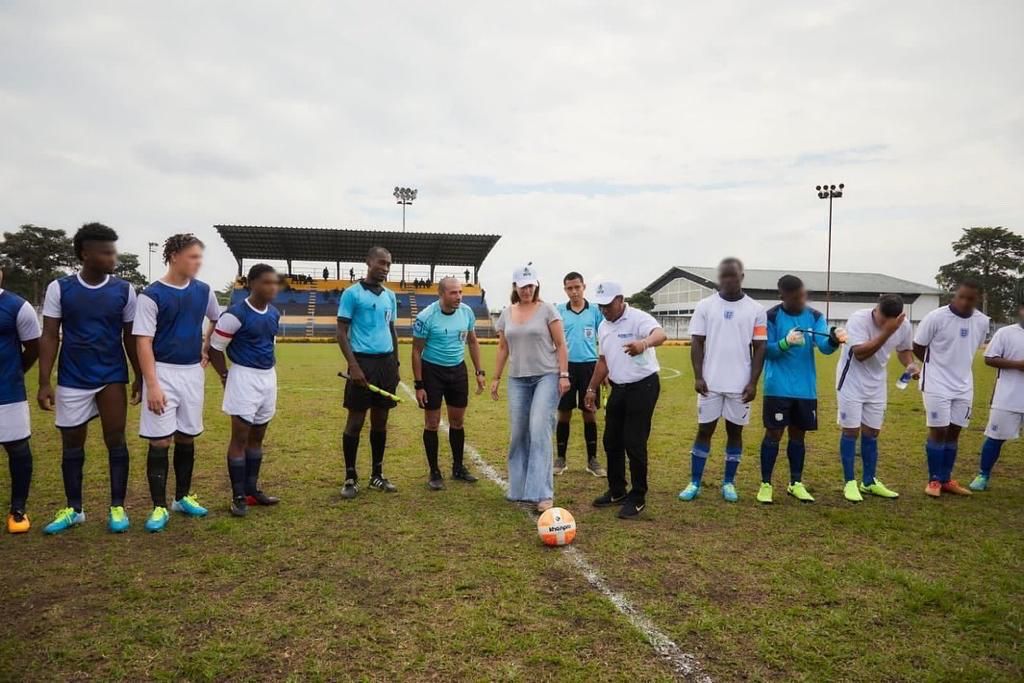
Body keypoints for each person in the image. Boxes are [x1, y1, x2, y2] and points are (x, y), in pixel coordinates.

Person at [38, 223, 141, 535]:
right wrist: (44, 381)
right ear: (85, 254)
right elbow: (49, 335)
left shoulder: (124, 290)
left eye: (114, 251)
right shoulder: (60, 288)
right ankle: (74, 508)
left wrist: (138, 375)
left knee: (116, 438)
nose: (113, 257)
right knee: (71, 442)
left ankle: (117, 507)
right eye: (106, 252)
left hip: (110, 375)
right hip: (73, 377)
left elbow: (130, 337)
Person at [134, 233, 221, 532]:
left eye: (200, 257)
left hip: (192, 373)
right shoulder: (151, 295)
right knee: (161, 440)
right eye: (193, 257)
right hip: (162, 372)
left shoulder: (204, 291)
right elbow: (143, 342)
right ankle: (159, 507)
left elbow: (216, 320)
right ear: (174, 256)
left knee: (187, 436)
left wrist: (206, 345)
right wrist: (152, 384)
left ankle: (182, 498)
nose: (198, 262)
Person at [678, 258, 767, 503]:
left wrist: (753, 382)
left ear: (741, 277)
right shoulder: (706, 306)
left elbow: (760, 348)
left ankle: (729, 482)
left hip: (740, 386)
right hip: (710, 384)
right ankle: (694, 481)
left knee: (734, 432)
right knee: (704, 429)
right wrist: (698, 375)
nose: (729, 280)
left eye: (733, 276)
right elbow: (697, 342)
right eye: (724, 276)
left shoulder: (755, 309)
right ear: (719, 278)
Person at [757, 275, 845, 504]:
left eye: (803, 296)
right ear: (782, 296)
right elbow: (766, 350)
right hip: (777, 387)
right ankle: (765, 484)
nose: (801, 301)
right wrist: (785, 343)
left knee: (798, 435)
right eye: (795, 297)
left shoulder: (815, 316)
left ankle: (795, 483)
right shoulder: (771, 316)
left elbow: (824, 347)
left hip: (805, 389)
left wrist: (834, 339)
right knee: (774, 434)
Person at [491, 264, 570, 513]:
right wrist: (495, 378)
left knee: (539, 430)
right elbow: (503, 348)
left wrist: (564, 375)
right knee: (518, 434)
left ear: (536, 285)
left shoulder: (548, 310)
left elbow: (561, 344)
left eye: (530, 285)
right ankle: (518, 488)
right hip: (517, 379)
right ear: (515, 287)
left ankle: (542, 493)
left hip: (546, 376)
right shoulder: (507, 313)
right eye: (522, 285)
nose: (526, 290)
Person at [584, 282, 666, 519]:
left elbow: (660, 334)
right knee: (611, 440)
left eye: (608, 305)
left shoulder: (638, 318)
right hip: (618, 388)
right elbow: (603, 361)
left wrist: (643, 344)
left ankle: (638, 496)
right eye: (601, 306)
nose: (604, 310)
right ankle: (617, 489)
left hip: (643, 386)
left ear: (620, 299)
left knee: (634, 441)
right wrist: (591, 388)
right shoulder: (603, 326)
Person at [207, 264, 283, 517]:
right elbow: (215, 348)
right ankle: (238, 495)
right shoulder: (235, 314)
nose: (272, 287)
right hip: (243, 376)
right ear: (251, 283)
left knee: (257, 438)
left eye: (275, 283)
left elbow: (269, 343)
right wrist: (225, 376)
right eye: (266, 282)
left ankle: (252, 491)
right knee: (240, 438)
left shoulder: (273, 313)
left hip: (267, 378)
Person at [834, 294, 918, 502]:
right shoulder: (858, 319)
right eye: (880, 317)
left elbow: (904, 349)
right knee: (851, 431)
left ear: (899, 317)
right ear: (876, 308)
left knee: (872, 432)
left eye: (888, 320)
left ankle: (869, 482)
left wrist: (909, 363)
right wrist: (887, 331)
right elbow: (861, 354)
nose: (881, 322)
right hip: (851, 381)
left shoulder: (904, 326)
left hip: (876, 383)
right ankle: (849, 482)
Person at [913, 280, 989, 497]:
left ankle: (946, 479)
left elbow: (972, 348)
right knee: (939, 430)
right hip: (936, 383)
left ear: (978, 299)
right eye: (961, 296)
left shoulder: (982, 321)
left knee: (955, 431)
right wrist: (936, 367)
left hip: (964, 385)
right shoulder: (936, 317)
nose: (965, 302)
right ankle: (934, 480)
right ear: (955, 295)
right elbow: (918, 346)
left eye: (970, 299)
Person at [337, 247, 401, 499]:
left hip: (385, 364)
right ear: (368, 262)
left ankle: (377, 474)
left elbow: (392, 330)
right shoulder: (352, 294)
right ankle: (350, 477)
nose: (385, 268)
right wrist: (353, 365)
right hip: (362, 361)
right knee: (355, 421)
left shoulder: (390, 296)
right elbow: (341, 332)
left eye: (389, 264)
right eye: (381, 263)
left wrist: (395, 365)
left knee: (381, 421)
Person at [412, 277, 486, 490]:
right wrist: (419, 385)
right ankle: (434, 472)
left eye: (460, 292)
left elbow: (472, 341)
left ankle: (458, 467)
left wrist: (479, 371)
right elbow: (416, 351)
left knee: (457, 422)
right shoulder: (426, 317)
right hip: (432, 371)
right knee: (432, 423)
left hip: (457, 371)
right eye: (453, 293)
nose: (459, 297)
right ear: (441, 294)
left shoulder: (466, 312)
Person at [970, 289, 1024, 491]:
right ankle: (983, 475)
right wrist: (1018, 365)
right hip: (1007, 398)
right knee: (995, 438)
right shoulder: (1006, 333)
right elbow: (989, 358)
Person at [0, 268, 41, 533]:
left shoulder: (17, 306)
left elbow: (34, 348)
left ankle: (18, 509)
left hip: (8, 392)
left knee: (18, 450)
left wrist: (14, 373)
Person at [555, 271, 606, 477]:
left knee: (589, 412)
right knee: (564, 414)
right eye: (570, 288)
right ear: (565, 289)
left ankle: (592, 460)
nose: (574, 292)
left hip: (589, 368)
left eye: (577, 287)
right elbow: (554, 341)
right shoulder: (558, 311)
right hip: (566, 369)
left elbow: (605, 338)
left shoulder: (595, 311)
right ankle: (560, 459)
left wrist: (606, 370)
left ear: (584, 287)